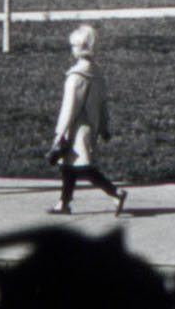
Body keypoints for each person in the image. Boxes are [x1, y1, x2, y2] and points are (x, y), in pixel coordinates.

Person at [47, 24, 129, 215]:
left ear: (82, 48)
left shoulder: (76, 76)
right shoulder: (97, 73)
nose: (72, 49)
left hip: (75, 130)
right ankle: (63, 203)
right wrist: (104, 127)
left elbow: (69, 109)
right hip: (89, 127)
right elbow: (103, 104)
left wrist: (59, 134)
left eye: (74, 46)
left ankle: (115, 192)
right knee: (69, 167)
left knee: (84, 168)